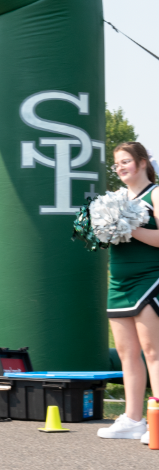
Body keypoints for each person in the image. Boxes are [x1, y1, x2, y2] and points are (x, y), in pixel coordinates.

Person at [97, 142, 159, 443]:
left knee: (153, 351)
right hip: (119, 281)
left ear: (142, 162)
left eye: (126, 162)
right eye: (116, 164)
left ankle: (157, 418)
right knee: (126, 353)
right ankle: (133, 419)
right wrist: (98, 227)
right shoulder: (117, 198)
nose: (120, 167)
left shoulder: (156, 193)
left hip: (150, 278)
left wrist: (130, 227)